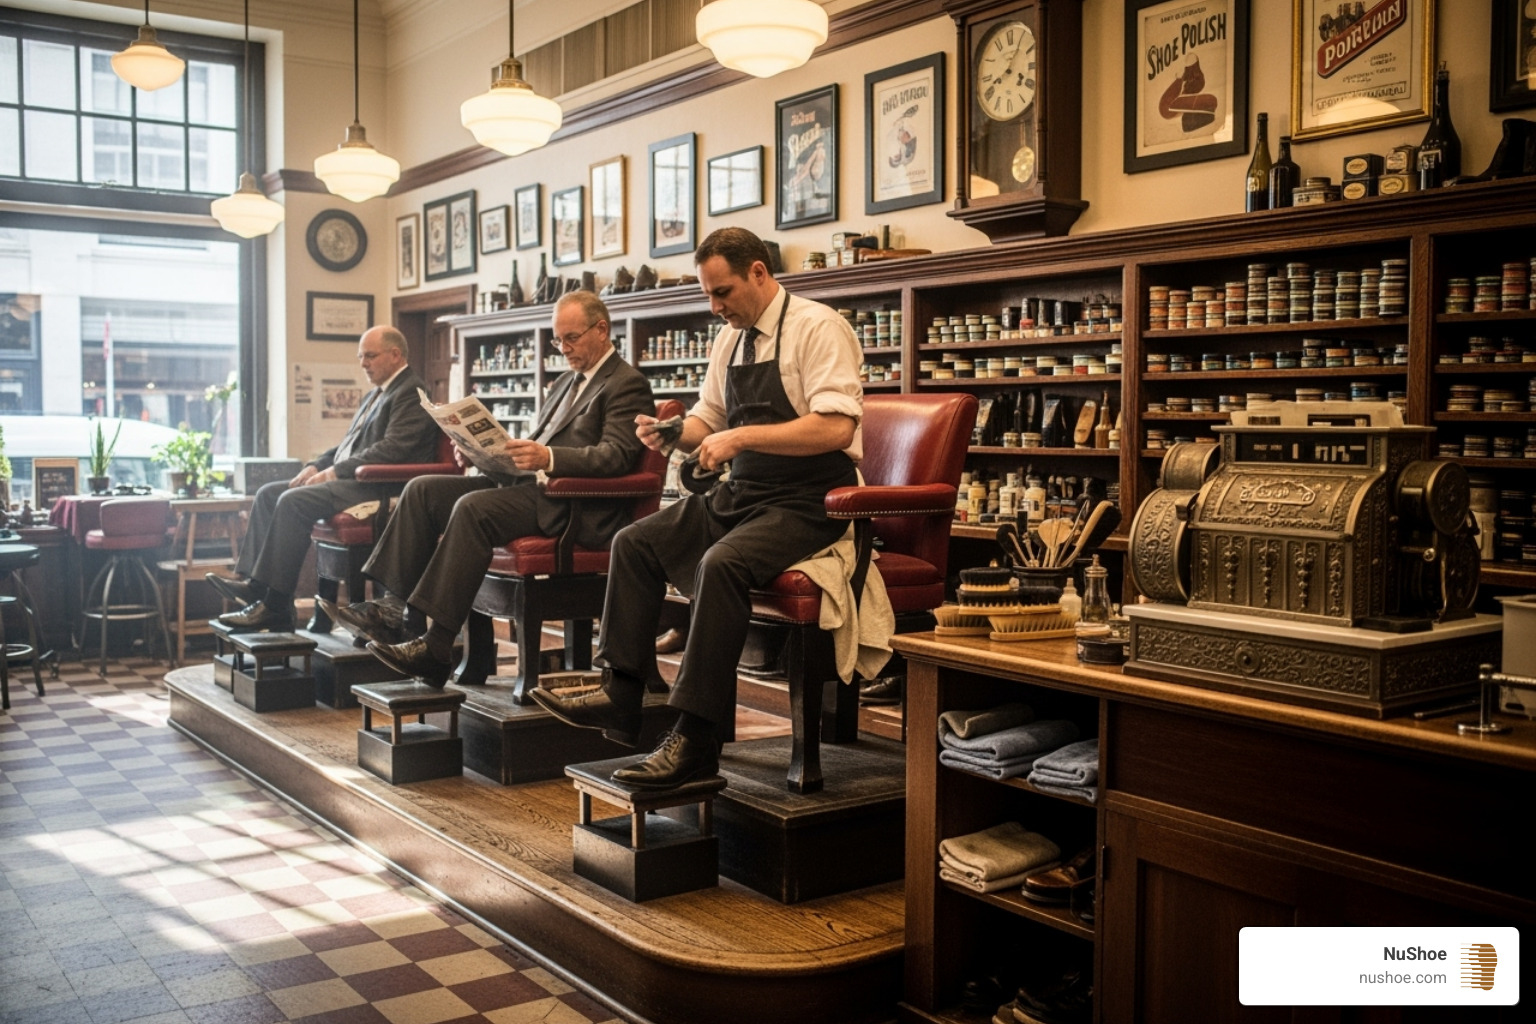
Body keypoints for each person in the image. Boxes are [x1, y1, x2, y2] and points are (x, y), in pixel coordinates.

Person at [532, 227, 863, 789]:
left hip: (810, 499)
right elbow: (708, 421)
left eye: (723, 292)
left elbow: (835, 427)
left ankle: (695, 739)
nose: (715, 307)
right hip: (747, 491)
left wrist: (741, 438)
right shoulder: (729, 340)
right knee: (635, 543)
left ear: (759, 272)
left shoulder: (817, 326)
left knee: (721, 564)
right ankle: (621, 691)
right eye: (709, 295)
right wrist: (672, 433)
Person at [331, 291, 655, 686]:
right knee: (422, 491)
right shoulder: (563, 384)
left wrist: (549, 457)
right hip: (530, 487)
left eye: (571, 338)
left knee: (473, 508)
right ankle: (393, 611)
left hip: (573, 504)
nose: (564, 348)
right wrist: (479, 452)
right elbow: (534, 445)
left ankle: (435, 647)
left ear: (602, 330)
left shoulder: (626, 383)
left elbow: (616, 456)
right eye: (558, 340)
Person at [207, 326, 438, 631]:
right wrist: (317, 465)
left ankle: (274, 606)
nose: (363, 364)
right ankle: (256, 586)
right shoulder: (375, 394)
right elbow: (349, 446)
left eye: (370, 356)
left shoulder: (410, 391)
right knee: (268, 494)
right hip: (355, 481)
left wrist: (337, 471)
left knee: (293, 501)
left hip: (379, 485)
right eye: (361, 356)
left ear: (396, 355)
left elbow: (394, 449)